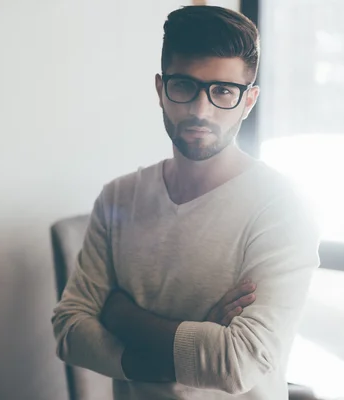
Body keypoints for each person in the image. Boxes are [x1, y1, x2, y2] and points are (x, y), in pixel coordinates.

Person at [52, 5, 321, 399]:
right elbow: (69, 330)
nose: (200, 110)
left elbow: (238, 363)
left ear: (249, 101)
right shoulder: (119, 197)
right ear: (161, 89)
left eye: (223, 91)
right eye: (184, 86)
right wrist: (192, 343)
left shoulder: (282, 208)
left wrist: (121, 315)